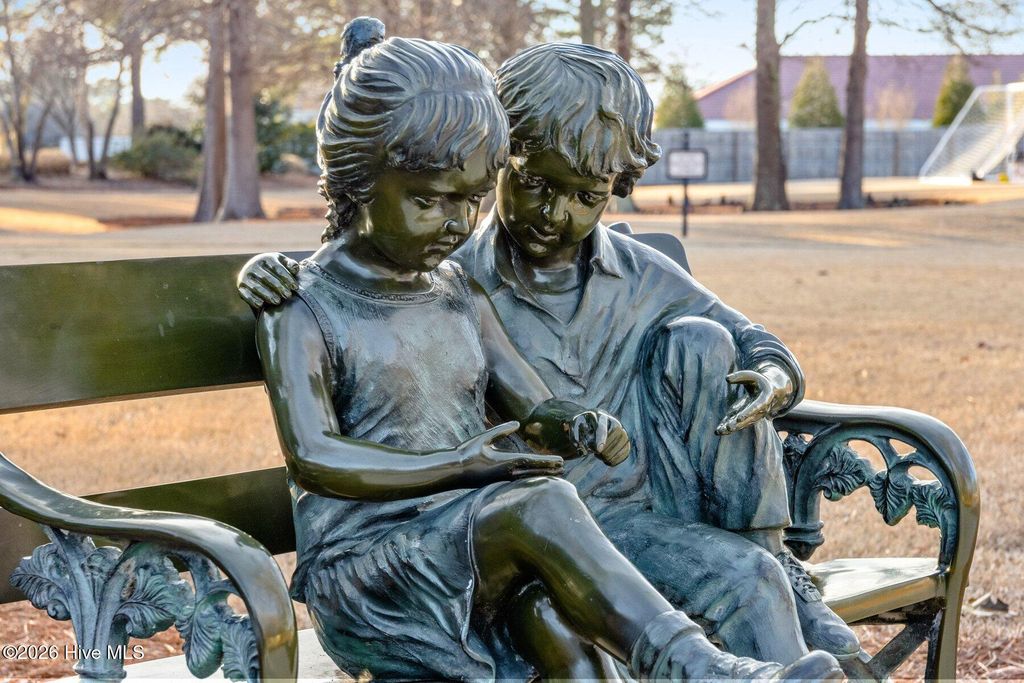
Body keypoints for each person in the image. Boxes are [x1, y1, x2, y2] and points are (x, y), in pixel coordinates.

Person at [251, 21, 841, 683]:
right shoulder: (309, 303)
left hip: (486, 545)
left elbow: (534, 406)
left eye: (470, 201)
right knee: (543, 502)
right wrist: (461, 465)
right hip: (383, 567)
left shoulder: (456, 289)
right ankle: (696, 668)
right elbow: (314, 455)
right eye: (431, 200)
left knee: (572, 623)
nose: (455, 223)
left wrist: (575, 424)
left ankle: (720, 663)